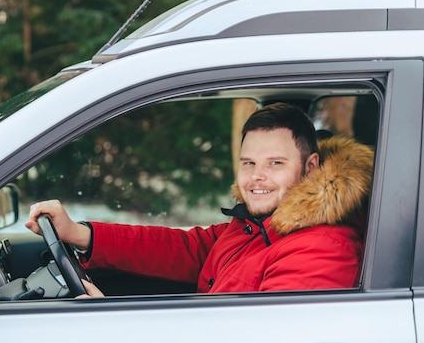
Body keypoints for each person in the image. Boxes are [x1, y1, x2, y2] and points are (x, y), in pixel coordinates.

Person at [26, 102, 374, 297]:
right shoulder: (255, 226)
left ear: (311, 168)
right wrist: (80, 233)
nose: (257, 177)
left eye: (276, 164)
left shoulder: (322, 249)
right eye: (249, 163)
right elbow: (189, 249)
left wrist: (111, 323)